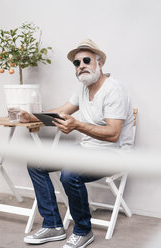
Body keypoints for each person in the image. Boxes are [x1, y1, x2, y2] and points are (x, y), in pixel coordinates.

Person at [21, 39, 134, 248]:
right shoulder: (83, 88)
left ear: (99, 63)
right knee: (35, 163)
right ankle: (54, 225)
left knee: (70, 173)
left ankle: (83, 231)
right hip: (86, 150)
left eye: (86, 60)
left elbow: (113, 134)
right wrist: (31, 116)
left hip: (114, 154)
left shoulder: (114, 90)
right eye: (76, 63)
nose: (81, 65)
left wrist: (78, 126)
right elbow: (61, 112)